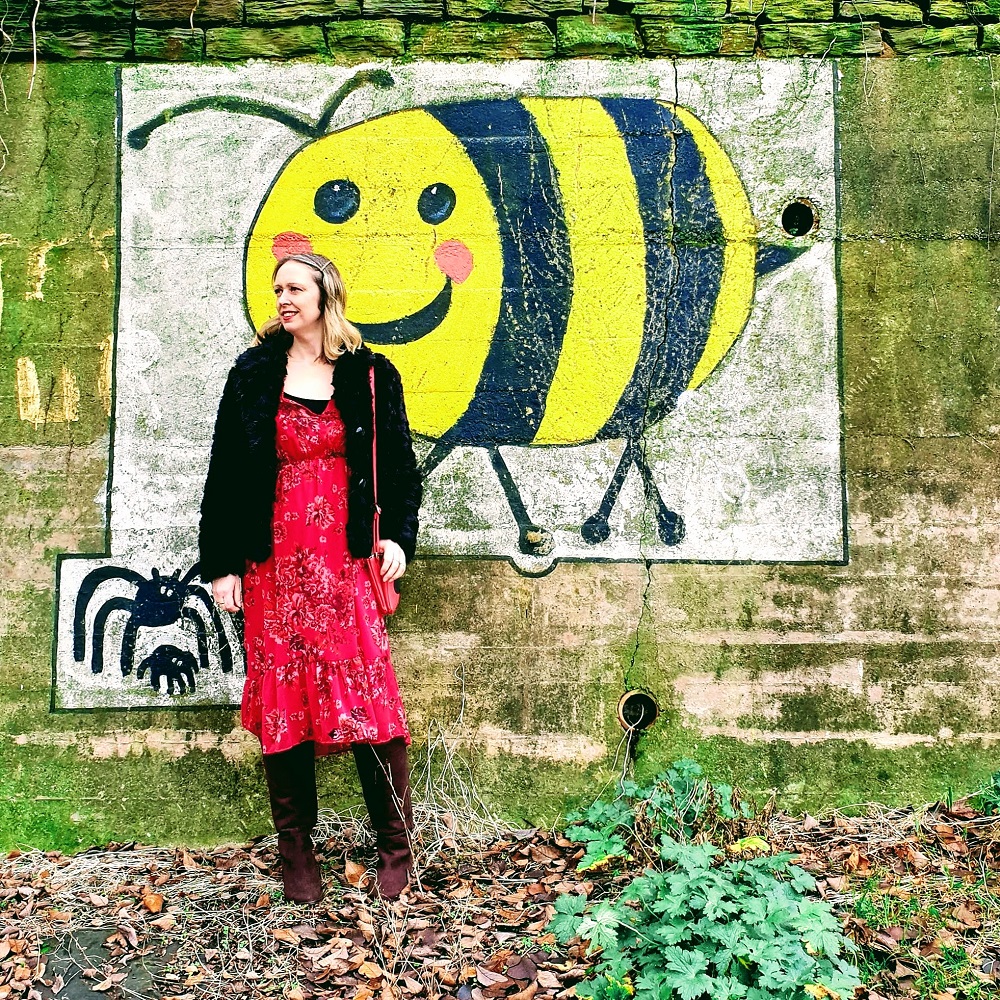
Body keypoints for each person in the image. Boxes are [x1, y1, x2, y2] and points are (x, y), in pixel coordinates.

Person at [198, 251, 422, 903]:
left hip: (345, 561)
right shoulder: (252, 375)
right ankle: (296, 852)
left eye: (295, 287)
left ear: (326, 295)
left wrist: (397, 537)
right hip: (273, 563)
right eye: (278, 289)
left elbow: (399, 466)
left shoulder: (371, 375)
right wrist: (222, 565)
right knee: (285, 705)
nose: (283, 298)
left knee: (369, 700)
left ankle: (396, 846)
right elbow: (225, 473)